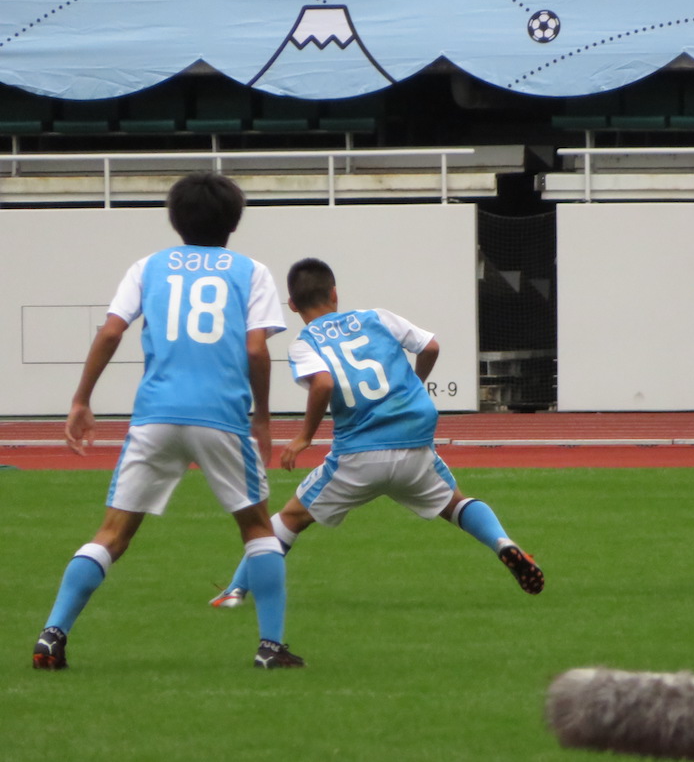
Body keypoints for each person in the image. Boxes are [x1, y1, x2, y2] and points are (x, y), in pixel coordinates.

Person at [35, 172, 302, 671]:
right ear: (234, 222)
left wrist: (81, 398)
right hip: (220, 416)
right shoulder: (251, 271)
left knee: (112, 533)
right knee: (258, 527)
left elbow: (112, 331)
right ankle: (271, 647)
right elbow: (255, 348)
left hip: (155, 414)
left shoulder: (148, 267)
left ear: (175, 220)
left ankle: (53, 633)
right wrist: (262, 417)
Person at [208, 257, 543, 610]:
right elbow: (430, 346)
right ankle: (503, 543)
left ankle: (234, 591)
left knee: (290, 518)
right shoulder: (377, 317)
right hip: (414, 441)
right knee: (456, 502)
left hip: (359, 454)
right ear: (335, 293)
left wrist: (304, 437)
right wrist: (416, 384)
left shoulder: (304, 344)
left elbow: (322, 383)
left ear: (292, 305)